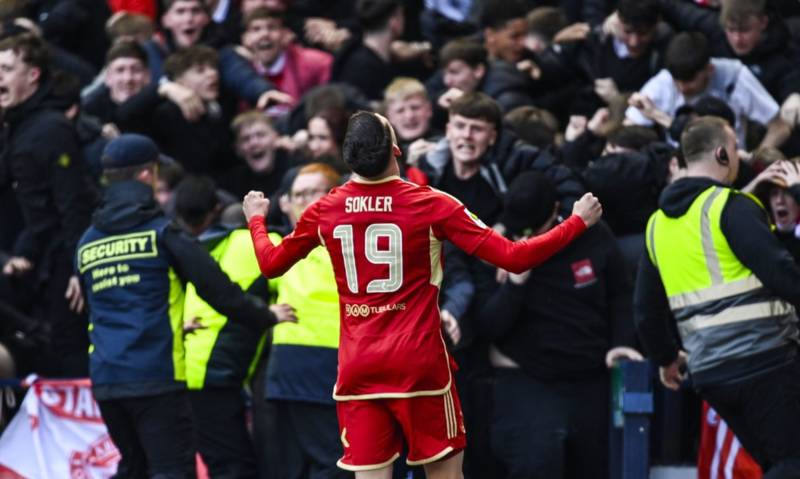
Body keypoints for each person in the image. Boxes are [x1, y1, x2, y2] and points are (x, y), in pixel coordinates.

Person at [242, 110, 603, 478]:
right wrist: (576, 223)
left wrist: (256, 219)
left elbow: (270, 263)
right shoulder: (431, 204)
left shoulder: (325, 210)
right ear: (396, 149)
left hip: (358, 365)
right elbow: (514, 257)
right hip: (419, 364)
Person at [77, 134, 295, 477]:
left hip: (106, 380)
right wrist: (266, 315)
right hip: (156, 376)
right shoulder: (161, 232)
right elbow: (219, 292)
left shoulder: (87, 242)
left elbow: (101, 310)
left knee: (134, 468)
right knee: (171, 470)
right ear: (148, 176)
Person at [635, 116, 800, 479]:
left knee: (778, 462)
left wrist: (665, 359)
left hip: (710, 373)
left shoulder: (656, 225)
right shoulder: (730, 206)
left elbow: (645, 312)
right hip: (766, 359)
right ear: (723, 153)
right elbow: (784, 276)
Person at [476, 172, 639, 479]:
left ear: (554, 211)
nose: (526, 236)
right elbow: (488, 325)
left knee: (593, 466)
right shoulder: (498, 245)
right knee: (537, 464)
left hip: (589, 374)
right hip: (528, 379)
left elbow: (621, 293)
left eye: (533, 228)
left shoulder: (594, 236)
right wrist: (515, 285)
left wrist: (623, 340)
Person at [0, 32, 96, 377]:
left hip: (62, 261)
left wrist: (78, 268)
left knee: (67, 349)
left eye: (7, 69)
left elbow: (73, 204)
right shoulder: (16, 126)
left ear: (33, 75)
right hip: (37, 257)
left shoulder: (50, 129)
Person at [260, 163, 352, 479]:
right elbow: (228, 287)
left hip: (334, 365)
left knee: (332, 462)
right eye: (298, 194)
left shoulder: (351, 242)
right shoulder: (283, 247)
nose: (303, 201)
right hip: (288, 366)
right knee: (293, 467)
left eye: (312, 193)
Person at [625, 32, 792, 150]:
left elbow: (779, 127)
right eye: (678, 81)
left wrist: (755, 160)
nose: (682, 88)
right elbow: (627, 128)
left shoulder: (734, 76)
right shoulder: (665, 80)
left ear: (709, 69)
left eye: (689, 81)